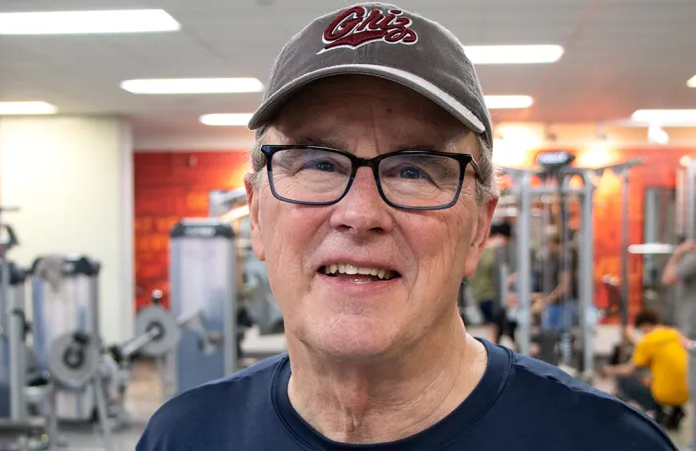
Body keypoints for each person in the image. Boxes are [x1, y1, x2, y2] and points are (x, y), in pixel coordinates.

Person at [137, 3, 676, 450]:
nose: (361, 214)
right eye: (320, 163)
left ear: (478, 229)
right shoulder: (183, 436)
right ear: (256, 214)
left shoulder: (607, 443)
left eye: (414, 170)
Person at [602, 308, 691, 429]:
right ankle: (675, 411)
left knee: (624, 380)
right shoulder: (673, 334)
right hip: (686, 392)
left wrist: (607, 369)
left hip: (664, 394)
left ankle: (658, 411)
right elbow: (651, 348)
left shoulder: (648, 341)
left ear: (645, 325)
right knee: (656, 377)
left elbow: (628, 370)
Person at [469, 222, 510, 342]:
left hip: (481, 293)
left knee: (494, 325)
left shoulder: (479, 252)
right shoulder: (493, 253)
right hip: (490, 294)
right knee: (496, 325)